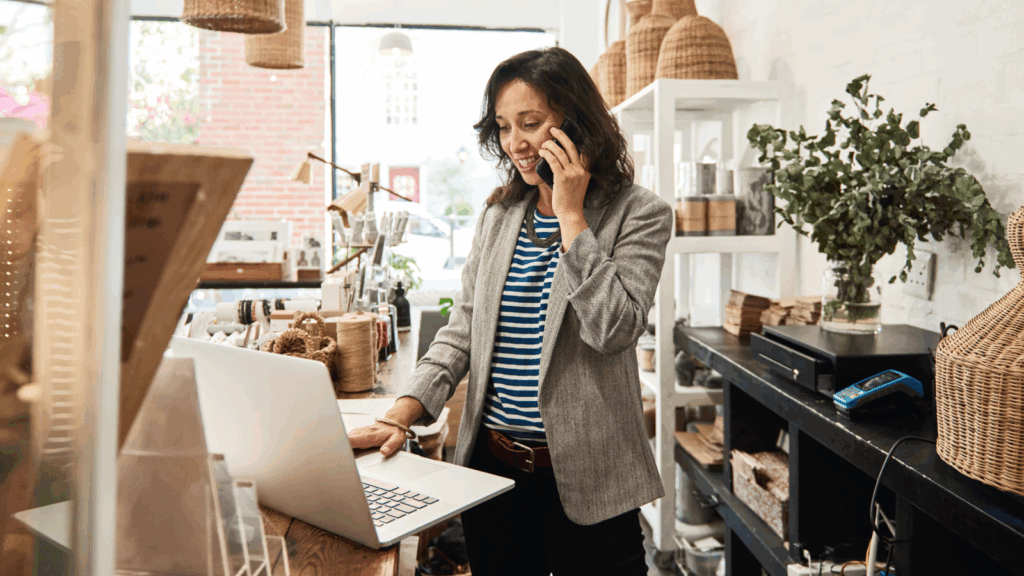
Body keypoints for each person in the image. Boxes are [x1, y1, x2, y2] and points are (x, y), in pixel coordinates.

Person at [349, 47, 673, 576]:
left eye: (531, 123)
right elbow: (463, 332)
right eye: (503, 126)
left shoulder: (639, 213)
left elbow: (614, 328)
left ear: (576, 122)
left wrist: (570, 214)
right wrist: (402, 413)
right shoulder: (500, 216)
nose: (515, 143)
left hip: (591, 485)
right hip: (492, 476)